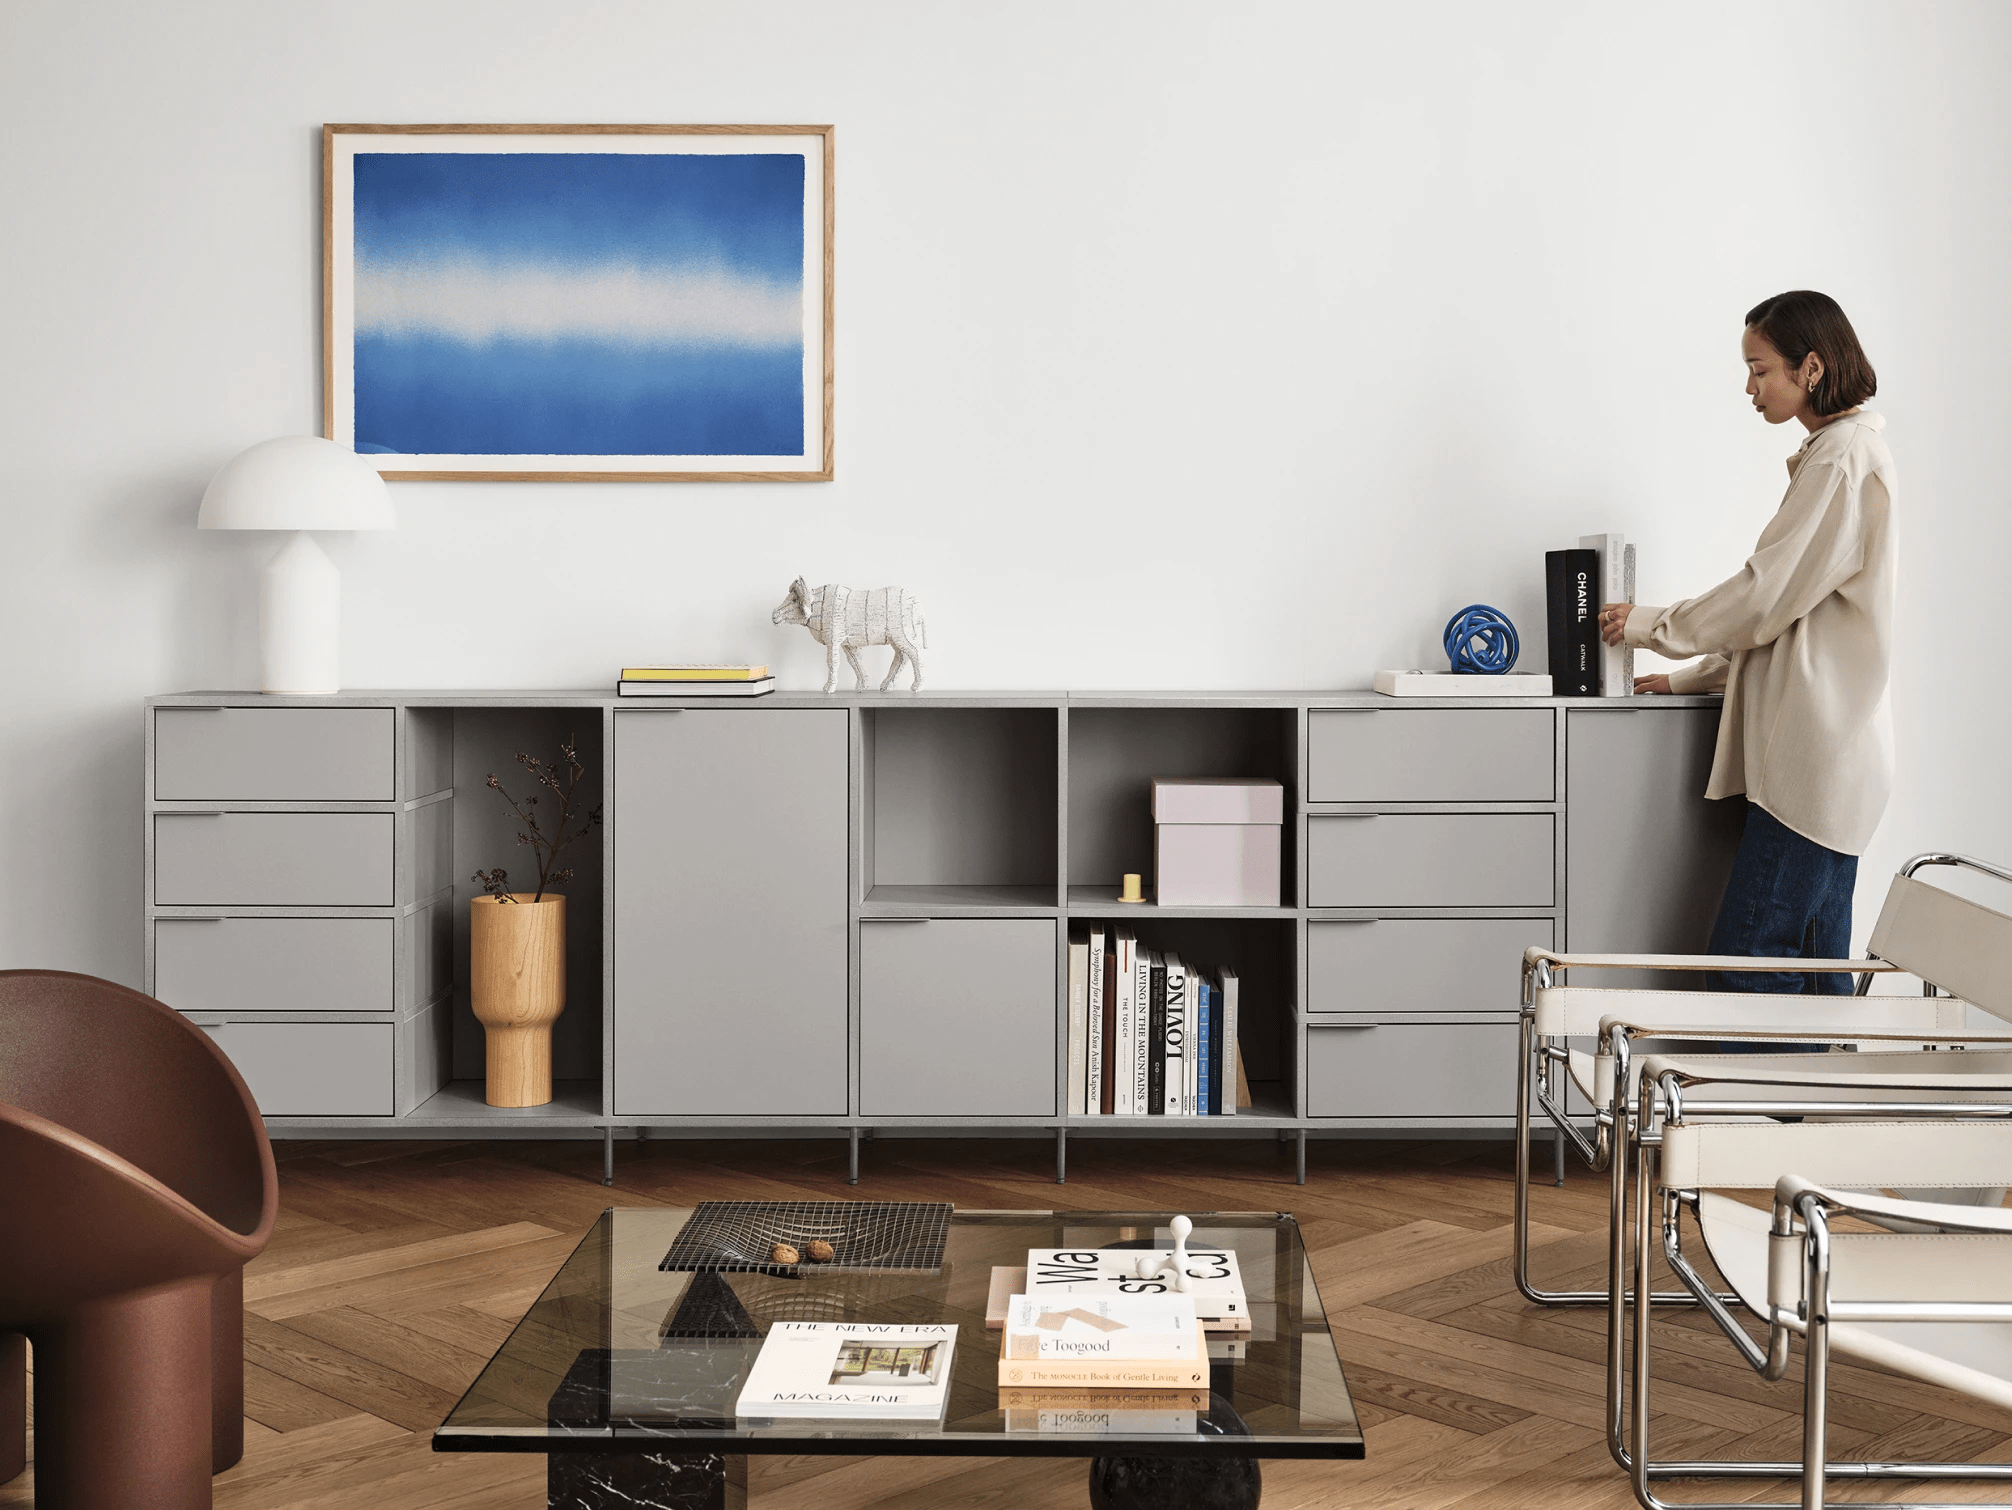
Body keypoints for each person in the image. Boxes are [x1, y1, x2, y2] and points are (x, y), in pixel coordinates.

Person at [1598, 290, 1894, 993]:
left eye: (1761, 369)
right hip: (1836, 763)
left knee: (1750, 962)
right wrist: (1684, 679)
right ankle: (1812, 1107)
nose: (1750, 387)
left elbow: (1763, 596)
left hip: (1813, 765)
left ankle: (1758, 1108)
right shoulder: (1841, 454)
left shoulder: (1840, 461)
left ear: (1812, 367)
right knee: (1814, 974)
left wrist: (1648, 625)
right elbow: (1791, 618)